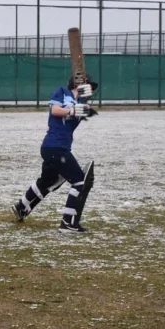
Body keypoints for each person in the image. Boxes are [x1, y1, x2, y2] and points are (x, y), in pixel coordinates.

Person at [10, 74, 98, 232]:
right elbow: (55, 110)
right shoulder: (62, 92)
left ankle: (21, 207)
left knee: (48, 181)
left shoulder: (81, 105)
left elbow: (84, 112)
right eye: (89, 87)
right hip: (55, 147)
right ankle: (68, 224)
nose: (90, 91)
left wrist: (83, 107)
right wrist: (72, 109)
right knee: (79, 181)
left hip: (55, 148)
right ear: (78, 85)